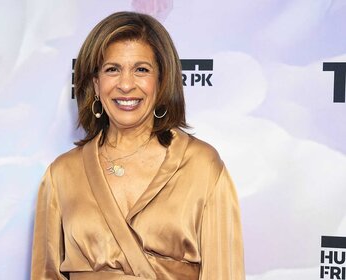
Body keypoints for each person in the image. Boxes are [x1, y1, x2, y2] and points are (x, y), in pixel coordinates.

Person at [31, 11, 245, 280]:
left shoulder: (202, 165)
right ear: (96, 84)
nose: (126, 84)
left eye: (141, 70)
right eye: (112, 70)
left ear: (162, 80)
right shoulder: (61, 174)